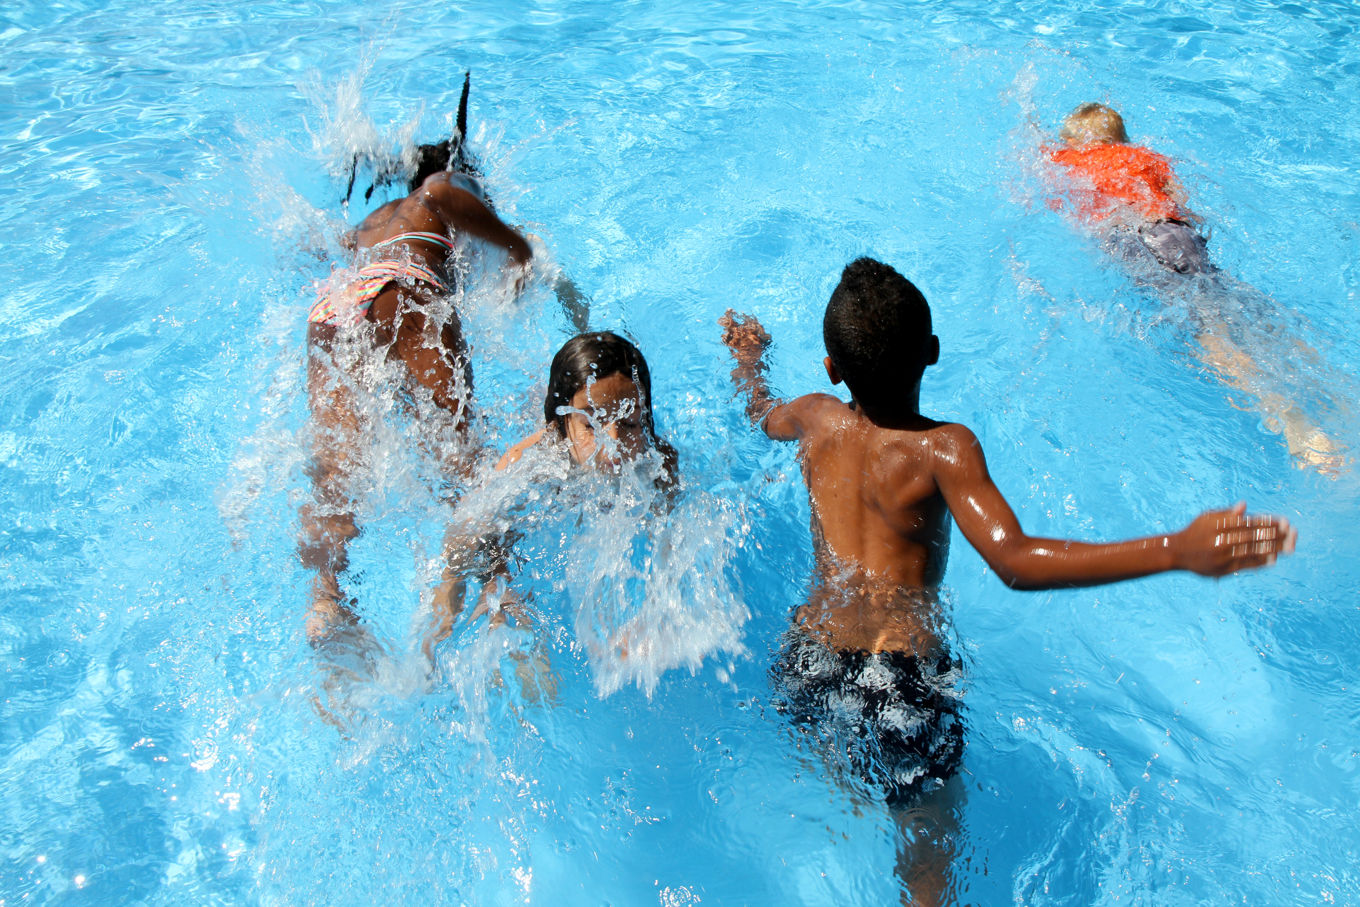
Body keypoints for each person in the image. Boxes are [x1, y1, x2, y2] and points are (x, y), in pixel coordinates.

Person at [720, 257, 1296, 907]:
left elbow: (758, 408)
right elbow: (1015, 558)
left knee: (829, 816)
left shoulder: (813, 416)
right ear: (933, 353)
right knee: (927, 875)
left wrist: (749, 358)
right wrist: (1175, 548)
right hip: (901, 679)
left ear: (831, 367)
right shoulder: (944, 448)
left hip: (808, 659)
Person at [301, 73, 533, 647]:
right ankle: (500, 591)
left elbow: (325, 250)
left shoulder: (370, 224)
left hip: (334, 310)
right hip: (406, 290)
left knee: (338, 470)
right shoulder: (442, 189)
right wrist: (519, 259)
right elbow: (482, 225)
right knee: (463, 458)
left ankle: (326, 598)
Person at [1045, 102, 1346, 474]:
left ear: (1076, 140)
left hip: (1130, 236)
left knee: (1206, 332)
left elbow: (1039, 168)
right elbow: (1183, 202)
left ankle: (1293, 423)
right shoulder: (1148, 157)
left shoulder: (1069, 158)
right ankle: (1339, 398)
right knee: (1234, 302)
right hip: (1177, 232)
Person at [423, 331, 678, 655]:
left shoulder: (660, 463)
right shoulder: (533, 462)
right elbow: (467, 532)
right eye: (591, 425)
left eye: (629, 423)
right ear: (561, 425)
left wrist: (652, 614)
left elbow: (668, 545)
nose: (613, 448)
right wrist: (469, 587)